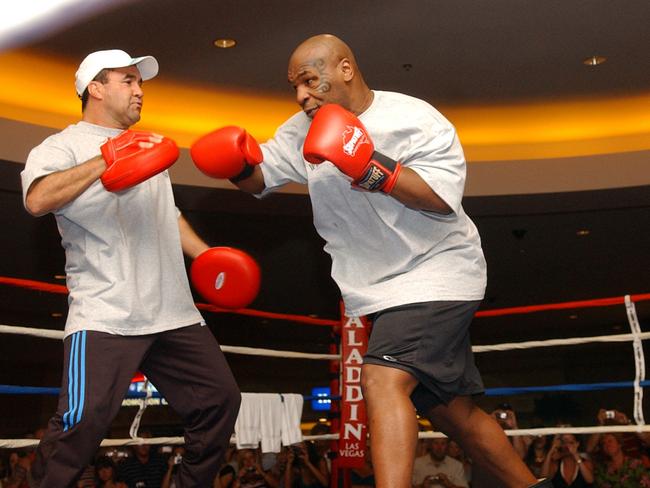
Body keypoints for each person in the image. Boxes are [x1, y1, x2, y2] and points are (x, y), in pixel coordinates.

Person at [189, 34, 549, 488]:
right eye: (294, 86)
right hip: (380, 291)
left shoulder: (415, 119)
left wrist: (369, 165)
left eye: (309, 81)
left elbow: (441, 199)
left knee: (381, 379)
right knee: (452, 413)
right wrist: (235, 163)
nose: (301, 95)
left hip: (438, 269)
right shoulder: (302, 127)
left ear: (344, 69)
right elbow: (261, 176)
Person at [20, 49, 241, 487]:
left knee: (220, 401)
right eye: (128, 81)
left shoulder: (152, 144)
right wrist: (108, 157)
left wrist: (206, 255)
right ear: (96, 88)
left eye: (141, 83)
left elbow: (167, 214)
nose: (140, 91)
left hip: (173, 312)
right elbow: (37, 199)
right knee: (82, 421)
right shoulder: (61, 146)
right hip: (107, 312)